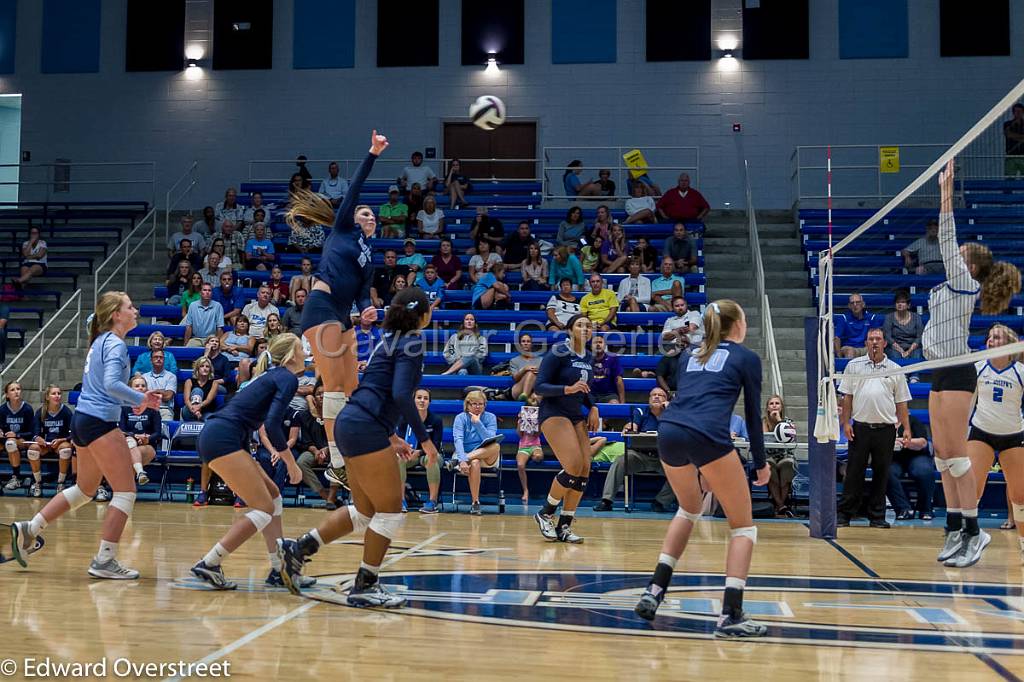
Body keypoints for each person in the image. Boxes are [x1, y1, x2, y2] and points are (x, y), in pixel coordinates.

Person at [277, 288, 437, 606]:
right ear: (424, 314)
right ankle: (365, 586)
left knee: (365, 512)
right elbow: (402, 395)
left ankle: (298, 549)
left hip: (354, 421)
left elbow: (379, 390)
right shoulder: (412, 342)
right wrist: (426, 439)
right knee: (390, 513)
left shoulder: (387, 340)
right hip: (365, 426)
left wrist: (391, 435)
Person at [632, 299, 770, 638]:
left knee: (689, 508)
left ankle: (654, 590)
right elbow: (753, 417)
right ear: (737, 324)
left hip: (670, 431)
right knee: (743, 528)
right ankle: (730, 615)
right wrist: (761, 464)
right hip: (707, 436)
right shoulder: (747, 358)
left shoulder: (688, 356)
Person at [9, 291, 162, 577]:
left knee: (85, 490)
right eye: (130, 306)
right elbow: (112, 384)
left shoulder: (101, 340)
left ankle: (31, 528)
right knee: (126, 492)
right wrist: (141, 399)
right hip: (100, 423)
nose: (135, 310)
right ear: (117, 315)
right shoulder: (115, 344)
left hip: (82, 420)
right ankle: (105, 560)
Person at [925, 159, 1021, 568]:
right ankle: (955, 528)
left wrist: (946, 195)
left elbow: (946, 238)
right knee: (943, 457)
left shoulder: (965, 283)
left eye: (962, 255)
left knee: (958, 457)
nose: (955, 256)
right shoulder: (950, 286)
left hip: (958, 374)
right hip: (938, 371)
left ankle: (974, 530)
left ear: (972, 267)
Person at [283, 131, 389, 495]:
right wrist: (372, 152)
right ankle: (337, 463)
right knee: (333, 388)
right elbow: (357, 186)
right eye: (364, 211)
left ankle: (354, 451)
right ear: (352, 216)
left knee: (352, 388)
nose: (368, 215)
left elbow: (362, 294)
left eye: (372, 214)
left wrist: (368, 310)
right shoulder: (343, 228)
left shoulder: (369, 256)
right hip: (322, 307)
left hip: (344, 315)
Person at [187, 333, 309, 590]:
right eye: (301, 347)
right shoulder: (286, 376)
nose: (306, 352)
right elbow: (273, 425)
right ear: (290, 355)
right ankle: (209, 562)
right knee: (263, 508)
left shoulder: (274, 375)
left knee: (273, 496)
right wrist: (290, 463)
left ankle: (278, 570)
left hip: (225, 436)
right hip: (223, 437)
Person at [533, 315, 601, 544]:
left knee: (584, 470)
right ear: (570, 330)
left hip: (575, 414)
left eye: (589, 326)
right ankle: (545, 513)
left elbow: (586, 388)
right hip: (553, 412)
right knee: (572, 466)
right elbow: (539, 386)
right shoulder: (558, 352)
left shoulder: (589, 356)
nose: (586, 328)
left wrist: (593, 407)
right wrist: (567, 389)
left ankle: (564, 526)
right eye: (580, 325)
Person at [838, 328, 912, 529]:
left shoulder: (895, 368)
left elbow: (902, 402)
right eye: (871, 339)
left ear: (884, 343)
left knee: (882, 473)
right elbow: (847, 397)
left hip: (885, 429)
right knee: (854, 472)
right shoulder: (854, 366)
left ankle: (877, 516)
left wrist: (906, 428)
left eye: (878, 339)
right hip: (860, 428)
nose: (874, 342)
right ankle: (845, 514)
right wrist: (846, 423)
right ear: (866, 343)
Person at [966, 325, 1024, 548]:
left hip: (1013, 435)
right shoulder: (979, 367)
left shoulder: (1019, 370)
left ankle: (1022, 543)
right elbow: (968, 405)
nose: (990, 341)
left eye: (996, 337)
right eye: (989, 337)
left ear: (1008, 343)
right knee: (972, 490)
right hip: (982, 432)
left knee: (1019, 496)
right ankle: (967, 539)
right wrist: (963, 437)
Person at [594, 388, 675, 512]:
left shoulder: (673, 413)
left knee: (684, 469)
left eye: (661, 395)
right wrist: (629, 427)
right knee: (621, 461)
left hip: (664, 458)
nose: (656, 397)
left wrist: (669, 411)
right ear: (649, 399)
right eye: (653, 395)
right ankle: (606, 501)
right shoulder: (641, 411)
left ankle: (660, 501)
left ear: (667, 399)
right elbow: (633, 426)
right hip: (640, 456)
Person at [450, 390, 500, 515]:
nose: (478, 407)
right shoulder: (460, 418)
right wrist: (463, 458)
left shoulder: (490, 417)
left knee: (496, 446)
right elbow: (458, 440)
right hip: (467, 455)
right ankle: (475, 502)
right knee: (475, 463)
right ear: (467, 405)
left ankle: (460, 460)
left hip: (486, 453)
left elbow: (489, 439)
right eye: (474, 404)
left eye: (481, 404)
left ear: (485, 405)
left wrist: (478, 424)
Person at [397, 388, 443, 514]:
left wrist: (420, 452)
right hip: (411, 455)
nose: (422, 401)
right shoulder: (404, 418)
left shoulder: (435, 420)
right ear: (413, 400)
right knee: (399, 459)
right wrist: (408, 452)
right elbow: (399, 441)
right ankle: (401, 501)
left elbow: (436, 447)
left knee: (431, 459)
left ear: (429, 402)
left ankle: (432, 502)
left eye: (425, 398)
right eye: (419, 397)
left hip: (429, 454)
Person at [293, 383, 339, 509]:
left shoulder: (336, 415)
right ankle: (325, 495)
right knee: (301, 462)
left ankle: (331, 498)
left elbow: (339, 437)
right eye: (318, 394)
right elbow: (306, 440)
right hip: (314, 450)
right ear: (313, 398)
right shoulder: (305, 416)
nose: (322, 396)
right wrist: (316, 451)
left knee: (337, 461)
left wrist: (327, 449)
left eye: (324, 394)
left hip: (334, 449)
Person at [886, 414, 933, 521]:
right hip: (894, 458)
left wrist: (903, 442)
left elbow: (923, 442)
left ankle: (925, 508)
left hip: (916, 455)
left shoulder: (913, 421)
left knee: (924, 471)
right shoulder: (883, 424)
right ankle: (903, 509)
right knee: (886, 472)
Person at [29, 385, 74, 496]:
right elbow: (34, 432)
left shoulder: (66, 411)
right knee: (32, 450)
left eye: (59, 393)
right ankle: (38, 482)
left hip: (60, 443)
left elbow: (73, 433)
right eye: (53, 393)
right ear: (47, 397)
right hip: (46, 444)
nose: (57, 396)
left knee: (66, 449)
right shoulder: (41, 411)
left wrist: (62, 439)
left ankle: (61, 482)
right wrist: (37, 438)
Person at [120, 375, 160, 487]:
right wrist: (135, 436)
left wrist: (147, 439)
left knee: (130, 452)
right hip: (128, 443)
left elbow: (158, 433)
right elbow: (122, 430)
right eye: (137, 386)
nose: (141, 388)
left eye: (143, 385)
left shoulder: (153, 408)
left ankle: (125, 490)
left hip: (148, 446)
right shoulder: (125, 408)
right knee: (131, 446)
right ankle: (140, 473)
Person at [762, 395, 797, 517]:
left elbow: (791, 438)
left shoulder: (788, 422)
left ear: (781, 407)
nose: (774, 405)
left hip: (785, 455)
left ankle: (780, 505)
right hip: (769, 456)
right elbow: (764, 440)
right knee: (769, 465)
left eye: (777, 403)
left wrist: (779, 421)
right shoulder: (763, 422)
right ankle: (782, 505)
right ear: (767, 408)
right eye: (771, 403)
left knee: (787, 464)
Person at [0, 380, 35, 493]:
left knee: (11, 443)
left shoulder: (27, 409)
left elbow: (32, 432)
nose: (16, 392)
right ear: (7, 394)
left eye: (18, 389)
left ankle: (16, 477)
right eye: (12, 390)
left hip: (23, 440)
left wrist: (17, 435)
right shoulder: (2, 409)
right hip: (6, 440)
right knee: (9, 442)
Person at [882, 289, 924, 375]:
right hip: (895, 346)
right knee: (894, 354)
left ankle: (914, 377)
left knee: (917, 353)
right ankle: (901, 376)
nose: (900, 304)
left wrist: (908, 351)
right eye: (897, 302)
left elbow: (919, 336)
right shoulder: (889, 317)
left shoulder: (916, 317)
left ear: (908, 305)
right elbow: (887, 336)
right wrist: (901, 350)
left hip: (913, 346)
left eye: (903, 302)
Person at [834, 293, 882, 359]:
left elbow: (876, 336)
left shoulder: (871, 318)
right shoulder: (843, 318)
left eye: (858, 302)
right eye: (852, 303)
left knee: (875, 350)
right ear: (849, 306)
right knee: (850, 352)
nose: (855, 305)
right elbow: (837, 338)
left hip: (866, 347)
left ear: (863, 304)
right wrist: (839, 357)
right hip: (849, 347)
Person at [515, 396, 543, 503]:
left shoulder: (539, 419)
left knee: (538, 457)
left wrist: (538, 423)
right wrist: (521, 422)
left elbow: (537, 434)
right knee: (520, 465)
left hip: (535, 445)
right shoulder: (521, 418)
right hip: (524, 446)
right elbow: (520, 435)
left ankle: (535, 457)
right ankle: (525, 490)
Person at [182, 357, 223, 422]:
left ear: (210, 369)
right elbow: (186, 400)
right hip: (189, 410)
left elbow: (208, 400)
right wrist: (194, 410)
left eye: (207, 366)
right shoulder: (189, 381)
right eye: (202, 366)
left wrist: (198, 407)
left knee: (209, 420)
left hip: (206, 412)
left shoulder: (214, 383)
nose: (205, 368)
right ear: (198, 368)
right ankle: (196, 414)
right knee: (197, 390)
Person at [141, 349, 177, 422]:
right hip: (147, 409)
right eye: (156, 357)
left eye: (161, 357)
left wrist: (150, 392)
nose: (158, 359)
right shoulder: (144, 377)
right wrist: (161, 391)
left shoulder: (171, 376)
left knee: (165, 429)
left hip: (164, 410)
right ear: (151, 360)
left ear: (164, 360)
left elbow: (167, 396)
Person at [590, 335, 624, 404]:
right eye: (595, 342)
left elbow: (619, 380)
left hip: (608, 395)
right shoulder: (586, 359)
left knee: (614, 404)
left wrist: (622, 403)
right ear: (591, 346)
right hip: (590, 395)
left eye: (600, 342)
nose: (598, 344)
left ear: (605, 346)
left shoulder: (612, 358)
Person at [510, 333, 543, 400]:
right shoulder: (514, 361)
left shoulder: (540, 360)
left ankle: (528, 397)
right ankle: (525, 395)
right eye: (523, 341)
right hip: (519, 389)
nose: (526, 343)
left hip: (535, 389)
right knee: (530, 373)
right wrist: (524, 369)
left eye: (528, 341)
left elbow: (545, 377)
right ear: (520, 344)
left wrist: (539, 372)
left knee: (536, 396)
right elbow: (515, 379)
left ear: (531, 344)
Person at [1004, 102, 1024, 179]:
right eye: (1016, 111)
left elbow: (1011, 135)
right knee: (1009, 179)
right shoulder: (1008, 124)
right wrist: (1021, 137)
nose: (1018, 113)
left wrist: (1014, 136)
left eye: (1020, 111)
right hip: (1011, 156)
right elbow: (1008, 134)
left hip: (1023, 155)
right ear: (1013, 113)